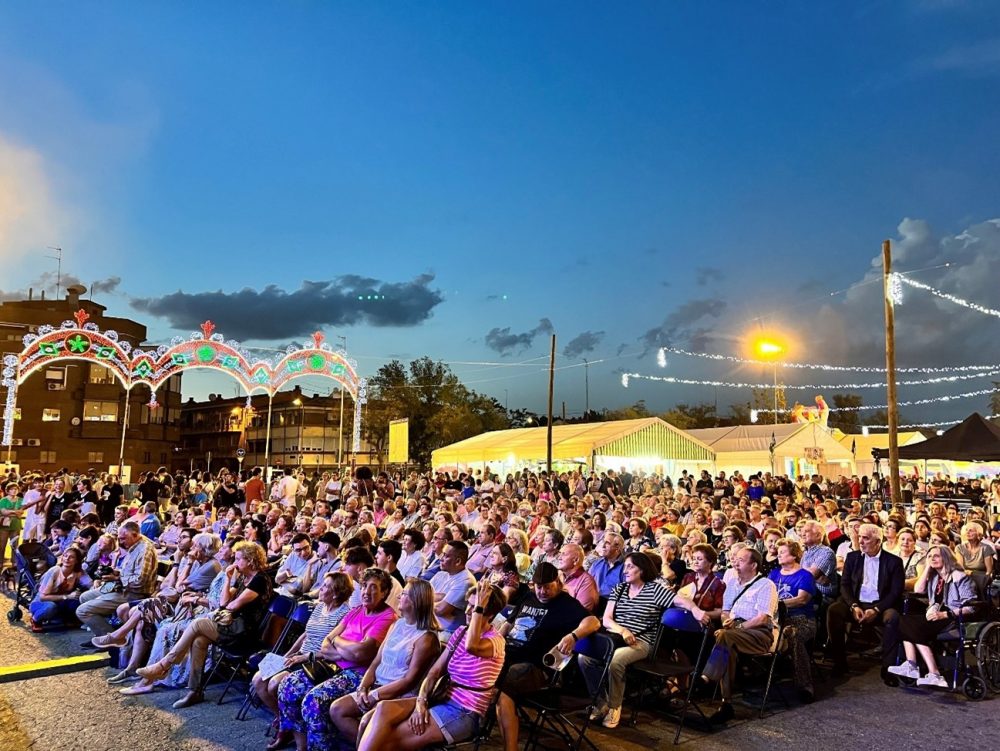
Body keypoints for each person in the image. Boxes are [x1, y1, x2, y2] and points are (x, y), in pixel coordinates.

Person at [355, 580, 507, 751]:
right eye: (469, 605)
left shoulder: (495, 641)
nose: (468, 611)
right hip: (440, 698)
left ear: (490, 614)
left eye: (475, 607)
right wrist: (421, 702)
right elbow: (434, 672)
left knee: (386, 741)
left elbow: (472, 647)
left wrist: (480, 606)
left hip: (464, 711)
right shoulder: (461, 632)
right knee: (377, 713)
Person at [134, 540, 272, 708]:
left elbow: (231, 606)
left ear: (250, 560)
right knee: (199, 641)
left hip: (244, 631)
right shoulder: (243, 577)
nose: (235, 563)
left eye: (238, 559)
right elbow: (223, 603)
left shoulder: (260, 580)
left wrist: (229, 599)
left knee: (198, 623)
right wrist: (228, 580)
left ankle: (164, 665)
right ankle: (195, 691)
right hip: (231, 623)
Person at [276, 567, 397, 751]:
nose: (366, 591)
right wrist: (346, 648)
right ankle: (302, 746)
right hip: (332, 666)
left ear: (385, 592)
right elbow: (327, 643)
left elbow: (362, 653)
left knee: (313, 702)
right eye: (364, 586)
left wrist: (339, 643)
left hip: (357, 674)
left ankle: (322, 748)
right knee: (288, 686)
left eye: (373, 587)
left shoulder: (387, 617)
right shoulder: (356, 611)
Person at [586, 552, 709, 729]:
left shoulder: (654, 590)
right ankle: (601, 702)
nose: (625, 570)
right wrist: (623, 630)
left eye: (630, 567)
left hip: (642, 642)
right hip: (617, 637)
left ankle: (614, 707)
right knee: (585, 658)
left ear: (642, 570)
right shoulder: (619, 589)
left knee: (616, 660)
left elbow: (681, 601)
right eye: (625, 566)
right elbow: (606, 619)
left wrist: (696, 610)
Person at [494, 561, 602, 751]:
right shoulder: (528, 597)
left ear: (558, 584)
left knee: (504, 686)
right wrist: (495, 642)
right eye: (538, 587)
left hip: (536, 667)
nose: (542, 592)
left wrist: (573, 636)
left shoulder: (566, 604)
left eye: (547, 587)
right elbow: (508, 624)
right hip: (507, 654)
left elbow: (593, 622)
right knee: (475, 669)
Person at [328, 579, 442, 747]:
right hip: (378, 685)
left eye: (404, 594)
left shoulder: (426, 638)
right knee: (337, 709)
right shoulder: (397, 624)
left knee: (366, 721)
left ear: (416, 600)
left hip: (400, 694)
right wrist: (363, 688)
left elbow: (409, 681)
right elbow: (376, 662)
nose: (399, 597)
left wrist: (375, 695)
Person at [255, 572, 355, 748]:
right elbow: (306, 634)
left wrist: (303, 657)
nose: (320, 588)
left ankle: (288, 728)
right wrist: (289, 654)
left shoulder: (344, 614)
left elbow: (336, 651)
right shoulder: (319, 607)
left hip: (317, 662)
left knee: (274, 684)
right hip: (300, 656)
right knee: (258, 680)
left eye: (325, 586)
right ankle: (284, 722)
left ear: (336, 592)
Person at [704, 547, 779, 724]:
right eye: (735, 559)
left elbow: (762, 618)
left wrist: (738, 626)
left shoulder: (766, 585)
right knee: (721, 638)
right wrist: (726, 621)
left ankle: (708, 678)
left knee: (724, 637)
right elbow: (725, 611)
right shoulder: (732, 584)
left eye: (741, 560)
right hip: (732, 633)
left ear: (753, 565)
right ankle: (726, 703)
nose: (736, 563)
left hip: (759, 635)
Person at [887, 545, 978, 688]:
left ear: (946, 557)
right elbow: (918, 590)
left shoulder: (960, 577)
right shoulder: (935, 576)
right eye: (929, 556)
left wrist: (945, 614)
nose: (932, 559)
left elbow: (971, 606)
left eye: (936, 556)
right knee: (903, 620)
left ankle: (933, 673)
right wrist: (927, 570)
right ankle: (912, 666)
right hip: (935, 613)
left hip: (953, 616)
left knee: (913, 627)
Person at [826, 523, 904, 683]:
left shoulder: (893, 561)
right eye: (860, 537)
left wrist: (876, 609)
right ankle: (839, 662)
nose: (860, 541)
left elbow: (895, 592)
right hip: (856, 603)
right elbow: (845, 585)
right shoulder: (853, 558)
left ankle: (888, 668)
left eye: (866, 538)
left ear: (877, 541)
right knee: (834, 610)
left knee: (892, 618)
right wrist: (854, 606)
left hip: (881, 604)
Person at [76, 521, 158, 637]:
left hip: (132, 593)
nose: (121, 542)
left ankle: (110, 638)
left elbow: (140, 580)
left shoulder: (145, 550)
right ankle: (102, 631)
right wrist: (114, 572)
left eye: (124, 538)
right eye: (120, 538)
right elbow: (127, 571)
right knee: (84, 596)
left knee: (82, 611)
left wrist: (117, 578)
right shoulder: (134, 545)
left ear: (135, 535)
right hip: (118, 585)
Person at [768, 539, 818, 703]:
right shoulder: (773, 574)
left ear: (794, 554)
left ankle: (805, 685)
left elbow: (802, 600)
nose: (778, 555)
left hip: (801, 619)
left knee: (793, 636)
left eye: (782, 552)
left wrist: (778, 604)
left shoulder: (805, 575)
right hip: (776, 619)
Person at [429, 540, 475, 641]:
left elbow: (441, 610)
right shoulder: (440, 574)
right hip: (430, 626)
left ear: (458, 561)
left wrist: (427, 598)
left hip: (447, 633)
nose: (441, 558)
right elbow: (420, 595)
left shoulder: (466, 582)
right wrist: (440, 597)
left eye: (445, 556)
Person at [29, 547, 85, 628]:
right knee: (51, 607)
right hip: (41, 603)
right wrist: (67, 596)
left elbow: (89, 583)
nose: (67, 559)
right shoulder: (55, 571)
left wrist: (96, 582)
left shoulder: (77, 573)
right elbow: (42, 597)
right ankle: (35, 619)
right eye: (65, 556)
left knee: (77, 600)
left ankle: (60, 619)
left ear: (76, 561)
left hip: (58, 602)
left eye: (71, 557)